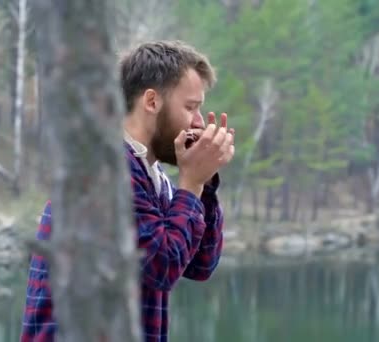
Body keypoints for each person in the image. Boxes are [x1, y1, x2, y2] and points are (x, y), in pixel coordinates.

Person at [20, 40, 235, 342]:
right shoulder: (106, 171)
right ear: (151, 101)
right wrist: (192, 183)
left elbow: (200, 265)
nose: (199, 122)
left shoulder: (149, 176)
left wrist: (205, 183)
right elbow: (163, 266)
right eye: (190, 107)